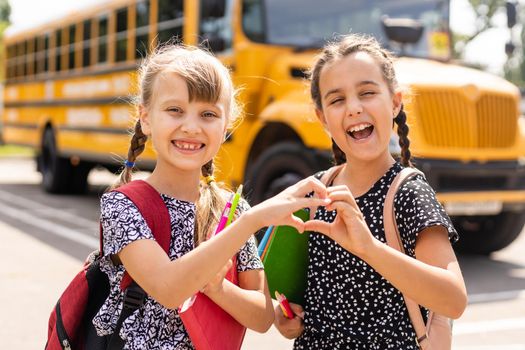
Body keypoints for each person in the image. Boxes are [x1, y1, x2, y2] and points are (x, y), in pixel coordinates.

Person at [92, 44, 331, 349]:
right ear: (146, 117)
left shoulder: (231, 208)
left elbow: (261, 317)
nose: (191, 127)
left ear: (227, 123)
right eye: (175, 110)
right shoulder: (122, 205)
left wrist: (219, 289)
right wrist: (250, 221)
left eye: (208, 114)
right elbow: (168, 289)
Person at [273, 34, 468, 349]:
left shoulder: (407, 193)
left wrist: (369, 248)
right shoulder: (316, 191)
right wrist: (289, 319)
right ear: (322, 117)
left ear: (394, 102)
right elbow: (305, 301)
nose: (353, 108)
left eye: (367, 93)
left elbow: (454, 300)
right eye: (337, 100)